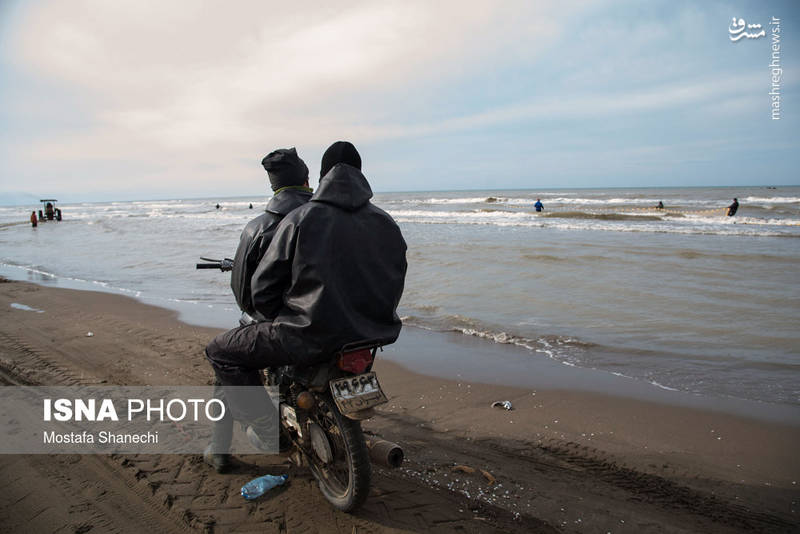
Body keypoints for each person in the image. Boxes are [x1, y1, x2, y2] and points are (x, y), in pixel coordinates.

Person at [205, 141, 407, 458]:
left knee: (220, 351)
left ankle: (268, 430)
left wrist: (283, 315)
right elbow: (395, 279)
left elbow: (262, 290)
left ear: (324, 175)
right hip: (372, 334)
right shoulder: (386, 222)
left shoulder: (301, 219)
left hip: (308, 335)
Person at [204, 148, 312, 473]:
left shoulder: (259, 226)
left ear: (273, 187)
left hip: (283, 328)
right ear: (308, 180)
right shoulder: (330, 221)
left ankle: (232, 443)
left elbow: (245, 296)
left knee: (224, 357)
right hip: (335, 322)